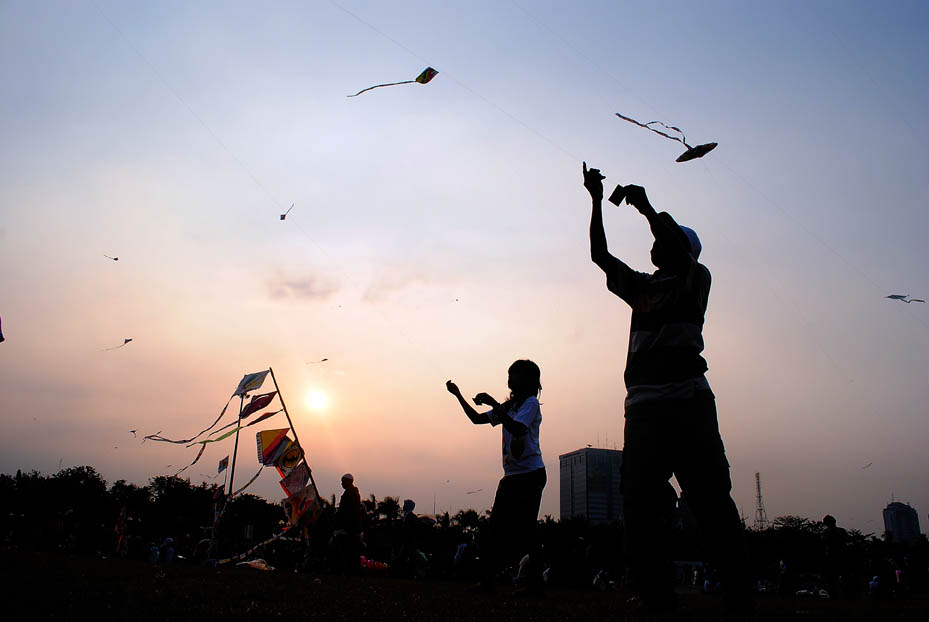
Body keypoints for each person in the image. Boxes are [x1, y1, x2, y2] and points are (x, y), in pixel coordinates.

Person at [583, 163, 752, 615]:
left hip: (688, 402)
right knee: (640, 502)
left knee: (709, 497)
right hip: (644, 409)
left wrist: (646, 207)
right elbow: (600, 256)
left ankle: (737, 584)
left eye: (665, 239)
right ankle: (655, 590)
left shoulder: (697, 280)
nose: (655, 243)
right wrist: (596, 201)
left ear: (684, 250)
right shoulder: (642, 288)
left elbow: (677, 249)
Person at [446, 359, 546, 594]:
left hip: (531, 474)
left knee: (527, 530)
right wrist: (458, 396)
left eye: (515, 374)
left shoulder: (531, 404)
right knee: (495, 529)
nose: (510, 379)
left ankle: (534, 583)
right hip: (513, 476)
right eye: (510, 374)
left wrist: (492, 402)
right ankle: (489, 581)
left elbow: (518, 428)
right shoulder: (510, 407)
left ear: (527, 380)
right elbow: (476, 419)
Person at [333, 473, 364, 573]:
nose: (341, 483)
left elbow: (347, 512)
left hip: (349, 527)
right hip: (351, 527)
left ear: (348, 482)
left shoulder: (350, 494)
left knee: (346, 550)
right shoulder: (352, 493)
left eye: (343, 481)